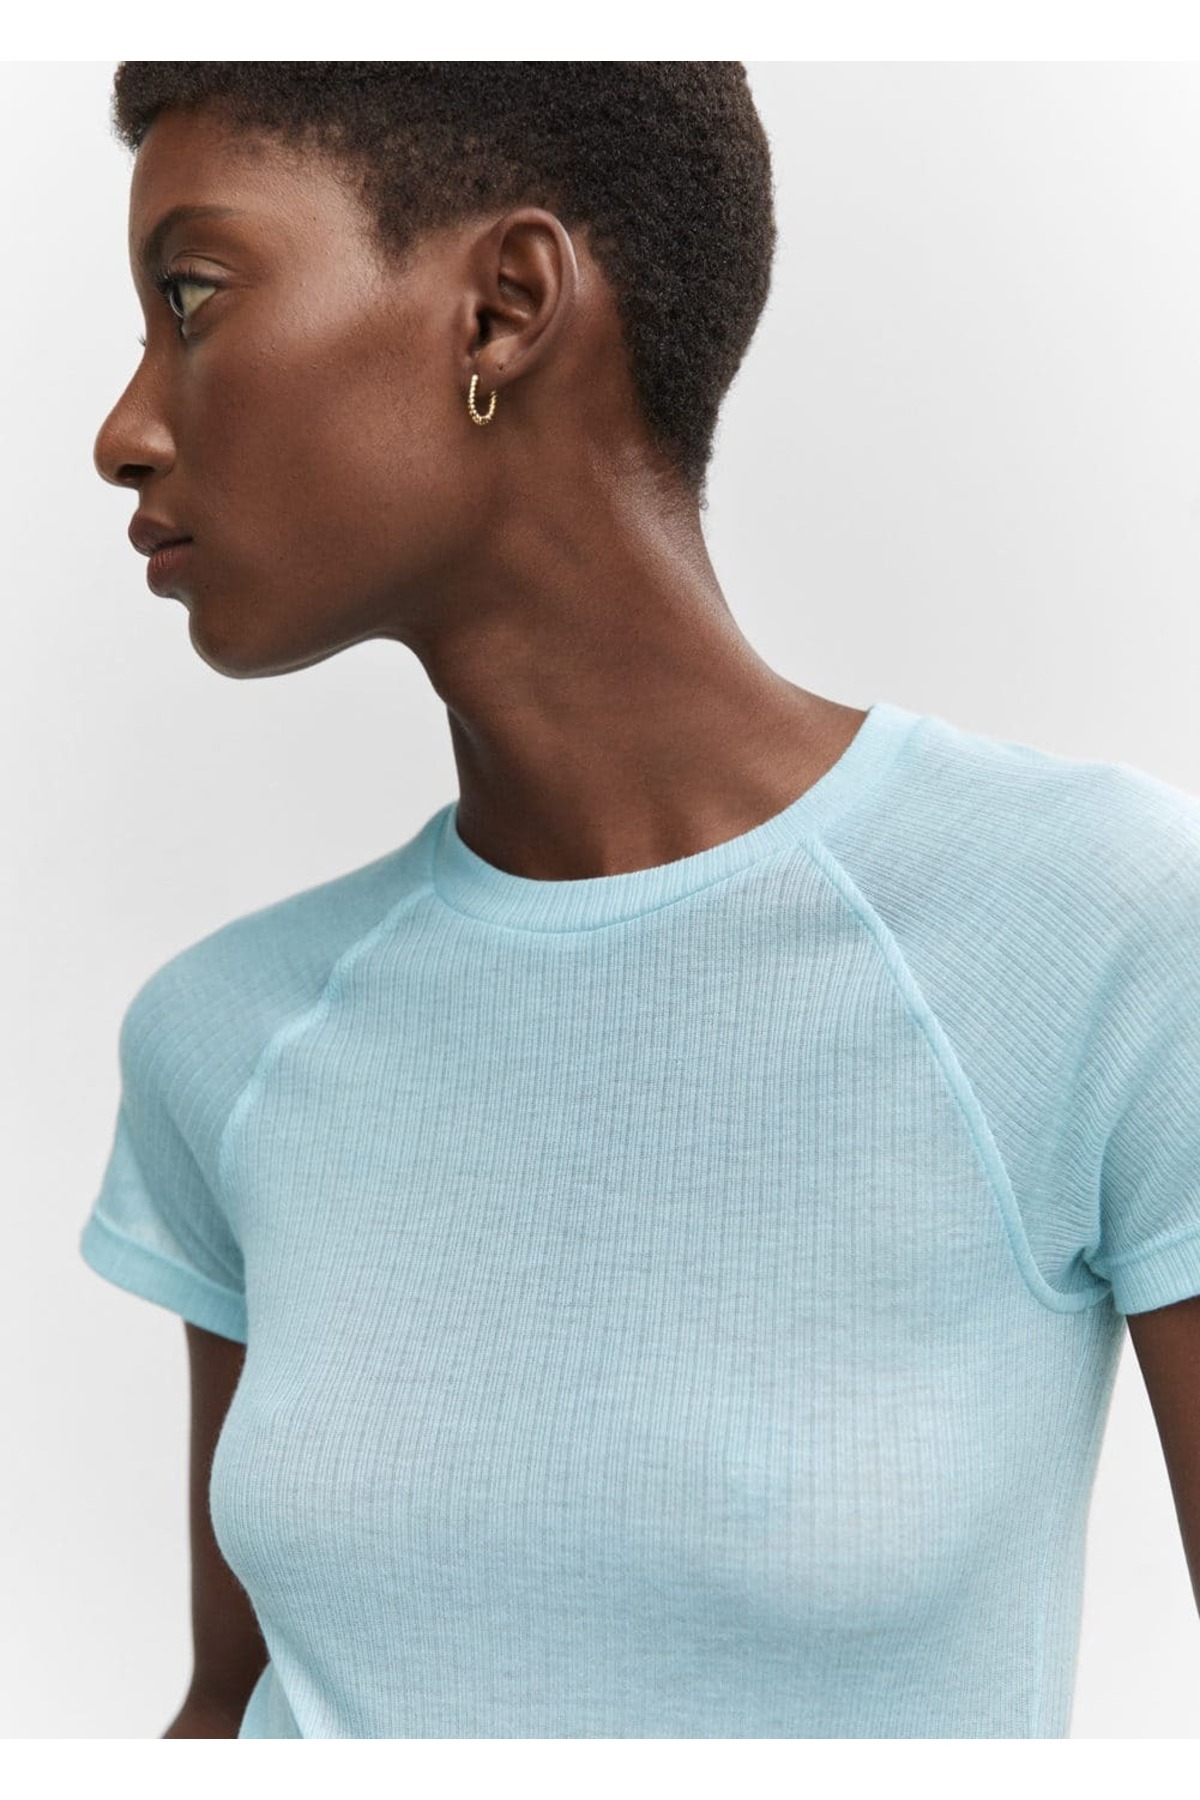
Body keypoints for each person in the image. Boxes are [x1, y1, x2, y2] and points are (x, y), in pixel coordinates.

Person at [81, 61, 1200, 1741]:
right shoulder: (224, 1038)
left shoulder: (1095, 927)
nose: (124, 430)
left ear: (503, 309)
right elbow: (230, 1707)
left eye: (192, 298)